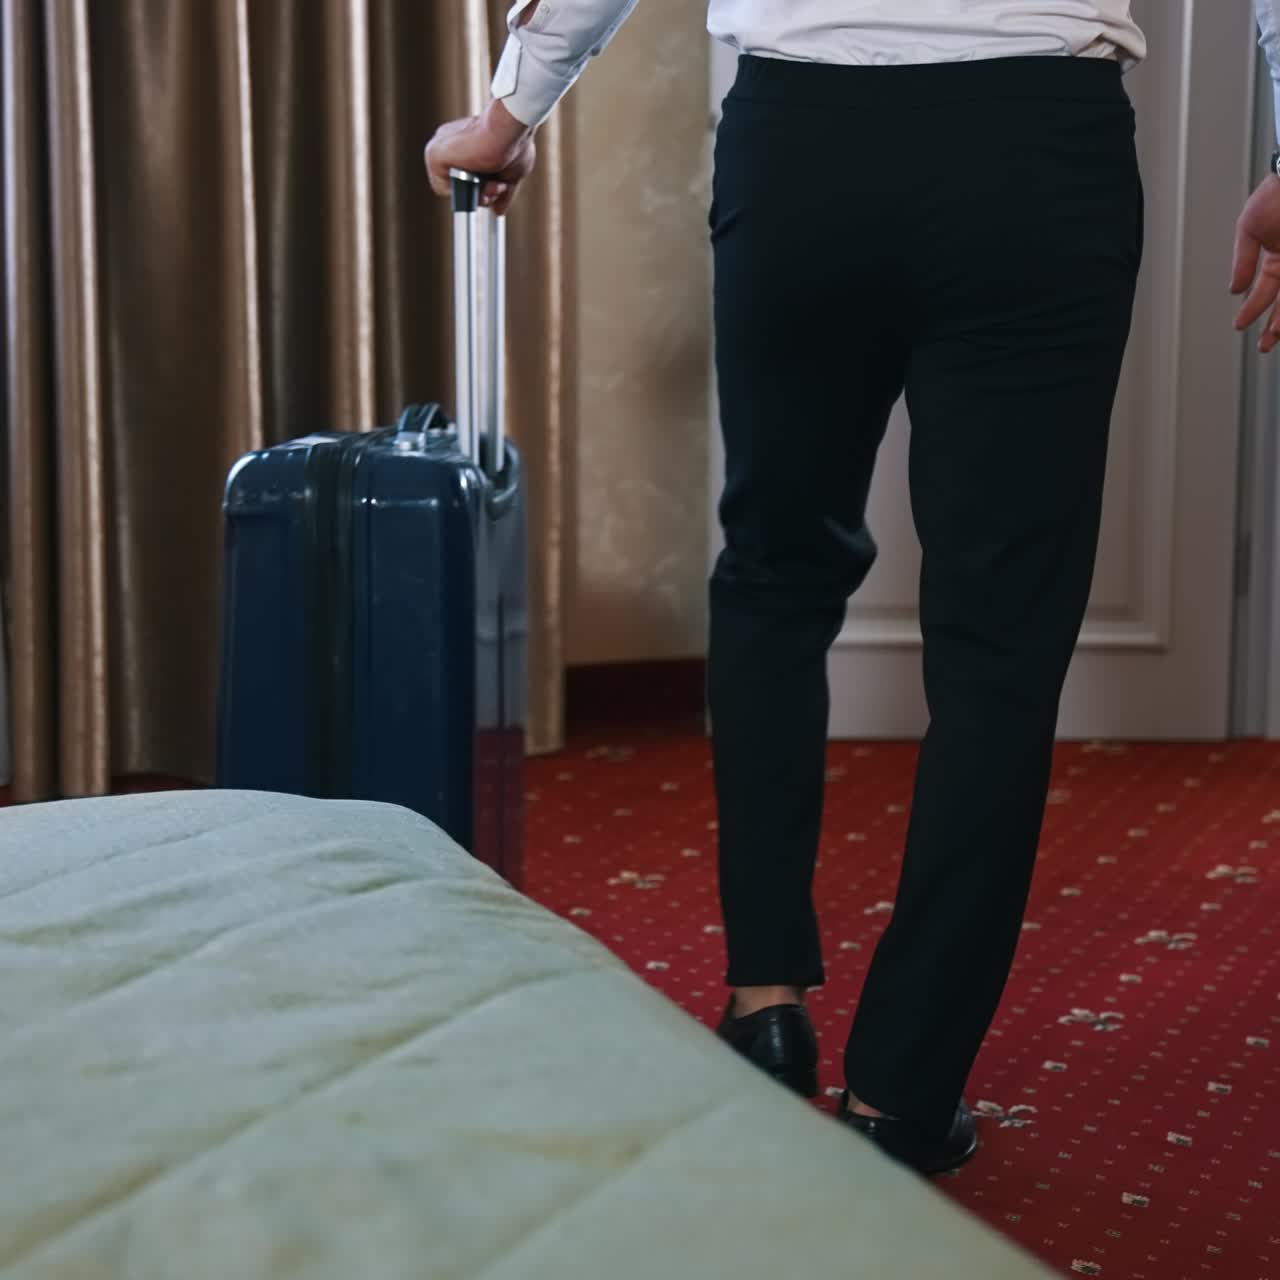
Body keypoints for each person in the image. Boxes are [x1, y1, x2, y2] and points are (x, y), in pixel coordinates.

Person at [426, 1, 1280, 1176]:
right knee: (997, 640)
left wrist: (510, 107)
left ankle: (763, 999)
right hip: (1037, 150)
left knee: (775, 571)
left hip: (804, 140)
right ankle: (900, 1094)